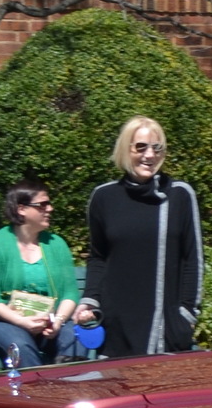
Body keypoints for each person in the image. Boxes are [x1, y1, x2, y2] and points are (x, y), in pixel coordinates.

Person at [82, 116, 204, 359]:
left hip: (165, 326)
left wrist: (187, 314)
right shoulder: (104, 197)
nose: (149, 155)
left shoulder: (179, 195)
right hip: (117, 323)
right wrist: (89, 301)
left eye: (156, 148)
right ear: (126, 149)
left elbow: (193, 259)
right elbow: (98, 257)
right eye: (141, 147)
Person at [0, 183, 87, 369]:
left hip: (48, 322)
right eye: (42, 205)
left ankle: (68, 389)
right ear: (22, 209)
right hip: (1, 323)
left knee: (75, 334)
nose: (50, 208)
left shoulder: (56, 244)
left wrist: (57, 321)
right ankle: (35, 393)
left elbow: (70, 294)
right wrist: (22, 321)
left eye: (49, 204)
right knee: (20, 341)